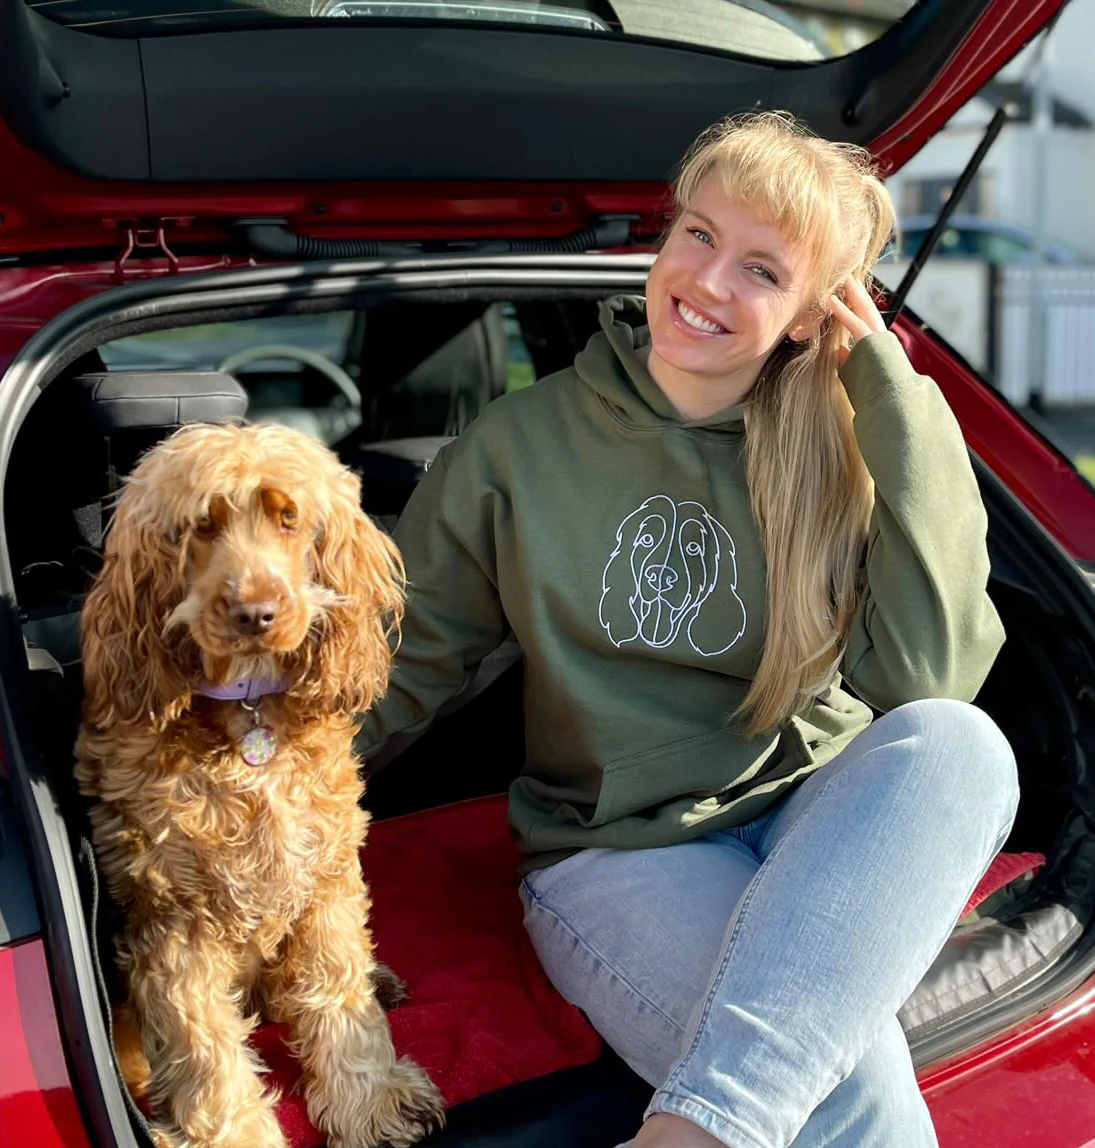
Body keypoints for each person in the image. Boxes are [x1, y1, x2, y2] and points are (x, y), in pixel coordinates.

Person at [358, 111, 1018, 1148]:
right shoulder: (516, 448)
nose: (707, 283)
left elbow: (927, 677)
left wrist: (891, 395)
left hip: (811, 819)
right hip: (616, 851)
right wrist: (246, 776)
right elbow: (406, 664)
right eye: (698, 235)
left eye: (762, 270)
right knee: (850, 1094)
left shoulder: (835, 452)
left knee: (962, 746)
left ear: (812, 314)